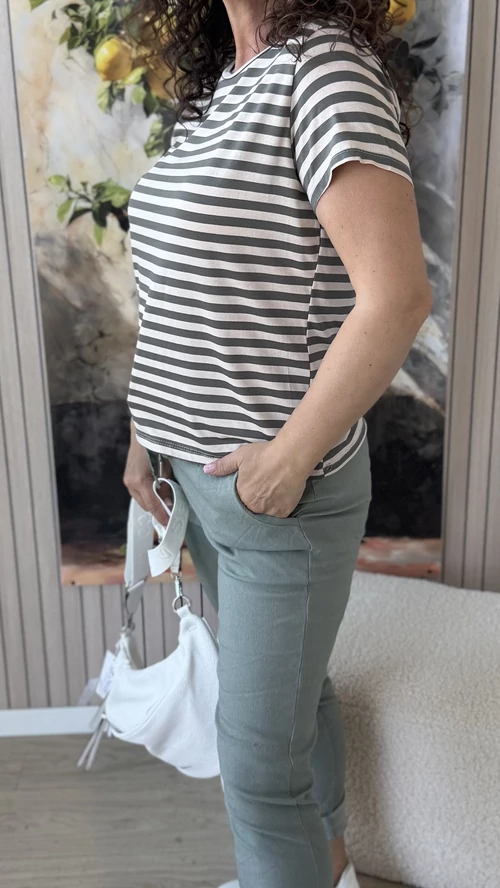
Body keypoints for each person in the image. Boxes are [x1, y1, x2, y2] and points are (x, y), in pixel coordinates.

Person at [123, 0, 432, 885]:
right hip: (205, 482)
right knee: (300, 696)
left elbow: (397, 297)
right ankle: (328, 867)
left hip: (278, 496)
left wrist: (287, 459)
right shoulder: (225, 86)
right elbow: (177, 295)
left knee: (258, 769)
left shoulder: (322, 70)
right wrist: (148, 437)